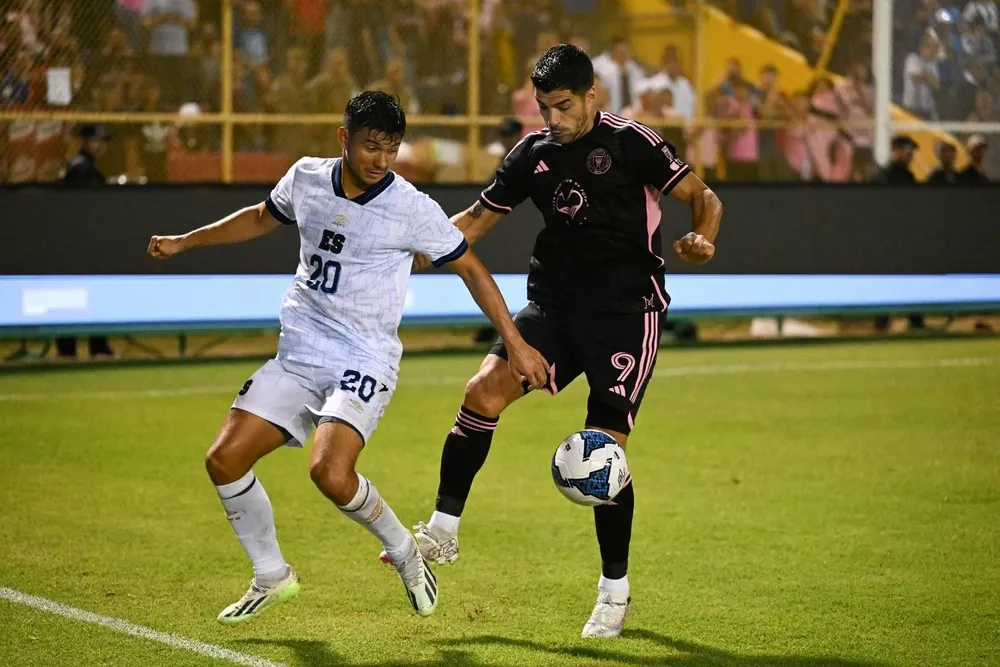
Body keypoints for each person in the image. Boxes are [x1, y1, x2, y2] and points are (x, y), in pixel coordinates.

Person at [145, 91, 548, 624]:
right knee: (223, 460)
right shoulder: (306, 177)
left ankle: (405, 552)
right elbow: (261, 216)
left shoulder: (410, 207)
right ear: (344, 139)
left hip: (364, 355)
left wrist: (515, 343)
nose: (382, 160)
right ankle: (271, 575)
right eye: (371, 147)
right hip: (299, 350)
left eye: (392, 149)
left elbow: (471, 268)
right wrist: (186, 241)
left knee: (330, 473)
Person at [390, 44, 722, 638]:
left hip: (627, 314)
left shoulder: (633, 142)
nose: (553, 118)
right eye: (544, 107)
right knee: (481, 392)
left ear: (593, 95)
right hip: (555, 309)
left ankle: (613, 592)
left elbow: (704, 197)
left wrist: (702, 237)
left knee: (602, 456)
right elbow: (474, 222)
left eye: (563, 106)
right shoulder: (532, 153)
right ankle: (442, 532)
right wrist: (404, 253)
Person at [58, 125, 115, 360]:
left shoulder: (83, 167)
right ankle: (84, 348)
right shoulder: (81, 168)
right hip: (81, 241)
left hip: (78, 241)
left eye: (102, 141)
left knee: (82, 293)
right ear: (84, 141)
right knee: (82, 293)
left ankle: (78, 347)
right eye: (95, 140)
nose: (100, 145)